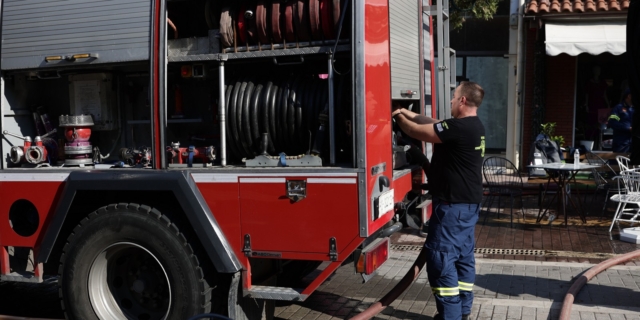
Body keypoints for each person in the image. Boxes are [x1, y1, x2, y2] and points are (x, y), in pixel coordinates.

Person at [391, 81, 485, 320]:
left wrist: (396, 117)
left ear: (463, 100)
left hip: (453, 209)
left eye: (454, 97)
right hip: (466, 206)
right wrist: (405, 111)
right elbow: (429, 122)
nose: (452, 101)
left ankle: (450, 316)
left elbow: (417, 131)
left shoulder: (459, 128)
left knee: (441, 261)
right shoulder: (473, 125)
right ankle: (462, 312)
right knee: (463, 257)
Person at [584, 65, 610, 140]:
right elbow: (587, 94)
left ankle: (600, 140)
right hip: (592, 104)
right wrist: (586, 105)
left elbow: (604, 94)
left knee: (601, 122)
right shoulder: (589, 82)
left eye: (599, 70)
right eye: (596, 70)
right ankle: (591, 139)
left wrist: (607, 104)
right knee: (592, 123)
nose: (597, 72)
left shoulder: (602, 82)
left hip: (600, 105)